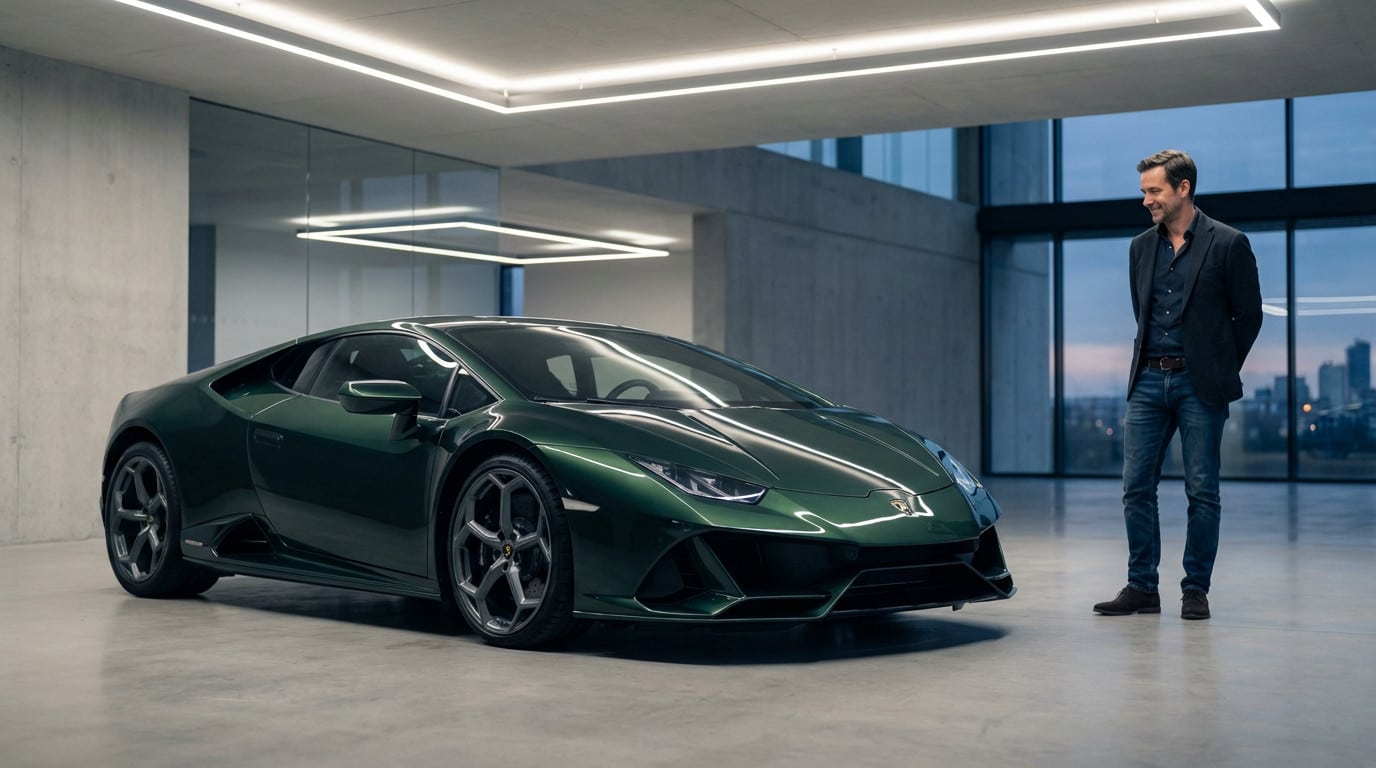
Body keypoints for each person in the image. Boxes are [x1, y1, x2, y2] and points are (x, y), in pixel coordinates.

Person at [1093, 149, 1263, 621]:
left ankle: (1195, 590)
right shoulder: (1140, 248)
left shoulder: (1228, 244)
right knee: (1135, 488)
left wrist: (1217, 366)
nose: (1146, 200)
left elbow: (1248, 316)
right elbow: (1141, 310)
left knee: (1202, 490)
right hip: (1148, 379)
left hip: (1199, 383)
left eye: (1154, 190)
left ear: (1183, 188)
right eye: (1144, 191)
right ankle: (1143, 586)